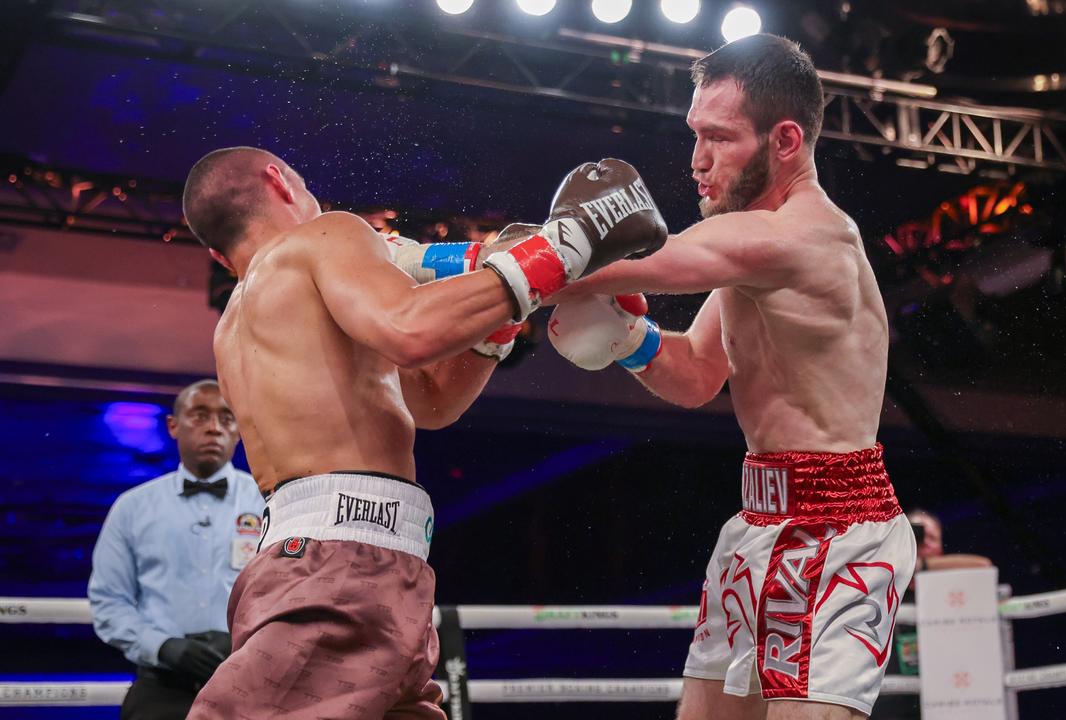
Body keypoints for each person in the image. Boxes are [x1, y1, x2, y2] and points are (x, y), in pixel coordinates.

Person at [178, 146, 665, 718]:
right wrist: (568, 243)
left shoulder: (248, 320)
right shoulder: (326, 235)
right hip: (340, 567)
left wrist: (505, 314)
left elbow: (432, 402)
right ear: (279, 181)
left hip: (364, 566)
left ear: (216, 250)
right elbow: (410, 328)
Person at [546, 34, 915, 719]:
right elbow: (696, 375)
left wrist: (432, 266)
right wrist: (628, 340)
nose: (698, 161)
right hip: (757, 521)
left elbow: (645, 261)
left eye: (719, 138)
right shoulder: (754, 245)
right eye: (695, 134)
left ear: (784, 141)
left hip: (838, 532)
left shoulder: (797, 237)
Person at [88, 380, 262, 720]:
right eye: (200, 415)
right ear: (173, 426)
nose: (214, 428)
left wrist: (243, 640)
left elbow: (291, 591)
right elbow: (109, 601)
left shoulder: (268, 503)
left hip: (246, 684)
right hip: (160, 688)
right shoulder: (133, 507)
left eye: (227, 418)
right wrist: (163, 647)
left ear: (239, 430)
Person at [875, 508, 992, 719]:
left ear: (940, 546)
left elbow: (984, 567)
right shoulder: (879, 577)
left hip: (942, 700)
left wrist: (922, 566)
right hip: (889, 703)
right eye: (917, 534)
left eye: (932, 537)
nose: (924, 542)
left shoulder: (949, 585)